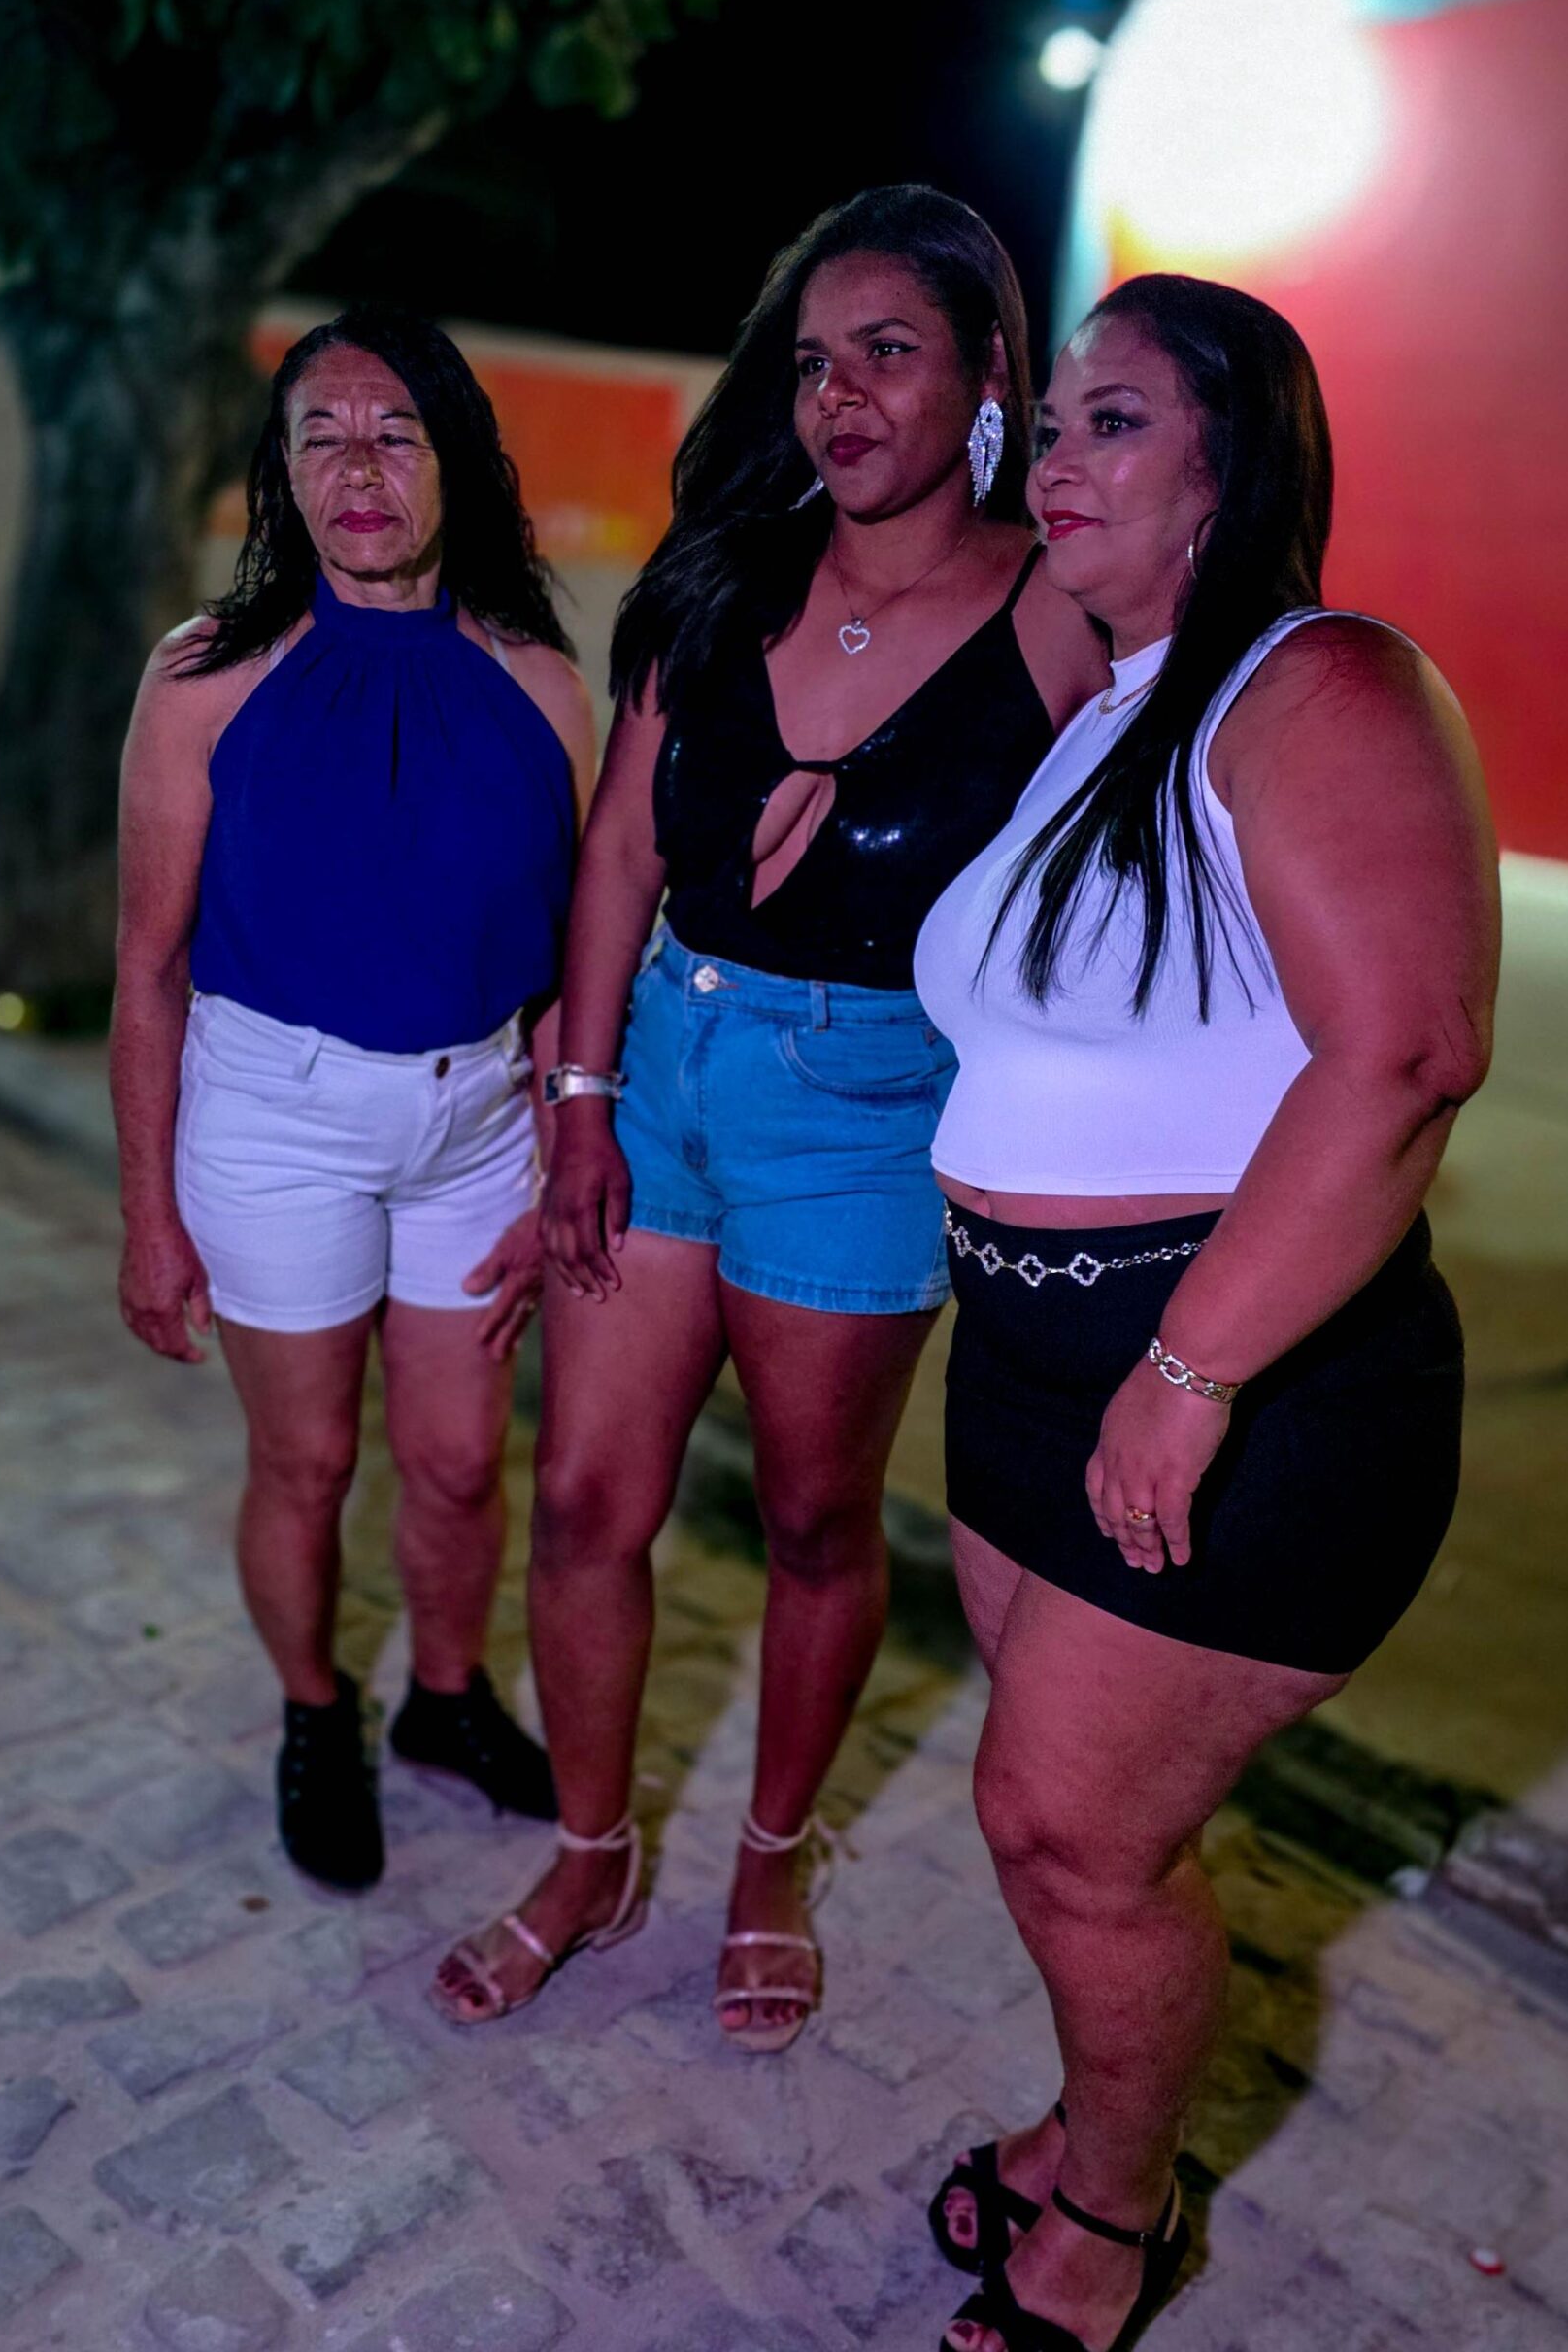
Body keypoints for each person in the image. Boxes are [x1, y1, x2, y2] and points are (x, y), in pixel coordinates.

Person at [429, 185, 1107, 2044]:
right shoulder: (724, 574)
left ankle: (770, 1856)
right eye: (814, 364)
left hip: (869, 1110)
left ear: (988, 374)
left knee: (816, 1518)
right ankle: (590, 1852)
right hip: (662, 1065)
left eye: (888, 353)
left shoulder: (1061, 613)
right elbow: (621, 852)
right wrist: (578, 1099)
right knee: (588, 1498)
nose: (840, 398)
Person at [911, 273, 1498, 2351]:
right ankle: (1105, 2121)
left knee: (1061, 1829)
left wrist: (1188, 1369)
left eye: (1115, 421)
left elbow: (1408, 1051)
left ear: (1229, 464)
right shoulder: (1114, 709)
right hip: (1033, 1364)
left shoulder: (1317, 682)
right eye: (1050, 423)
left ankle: (1111, 2218)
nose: (1054, 462)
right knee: (1086, 1831)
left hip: (1241, 1380)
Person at [112, 305, 595, 1892]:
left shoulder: (541, 683)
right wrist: (148, 1215)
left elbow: (570, 962)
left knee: (458, 1462)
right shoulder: (206, 676)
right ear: (282, 477)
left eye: (395, 432)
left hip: (478, 1125)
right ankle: (317, 1710)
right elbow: (147, 964)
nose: (358, 466)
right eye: (320, 436)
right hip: (275, 1119)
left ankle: (443, 1700)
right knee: (309, 1461)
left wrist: (559, 1151)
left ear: (457, 461)